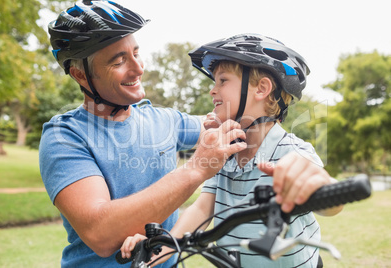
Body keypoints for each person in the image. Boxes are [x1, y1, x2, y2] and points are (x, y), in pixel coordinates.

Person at [39, 1, 247, 267]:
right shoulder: (65, 136)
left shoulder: (164, 120)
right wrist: (196, 169)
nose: (138, 68)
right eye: (119, 61)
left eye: (136, 53)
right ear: (81, 75)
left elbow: (228, 124)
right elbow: (100, 233)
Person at [121, 33, 343, 267]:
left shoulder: (292, 152)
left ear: (261, 89)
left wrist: (316, 184)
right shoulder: (225, 152)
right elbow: (202, 207)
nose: (212, 90)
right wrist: (163, 249)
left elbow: (331, 205)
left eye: (223, 81)